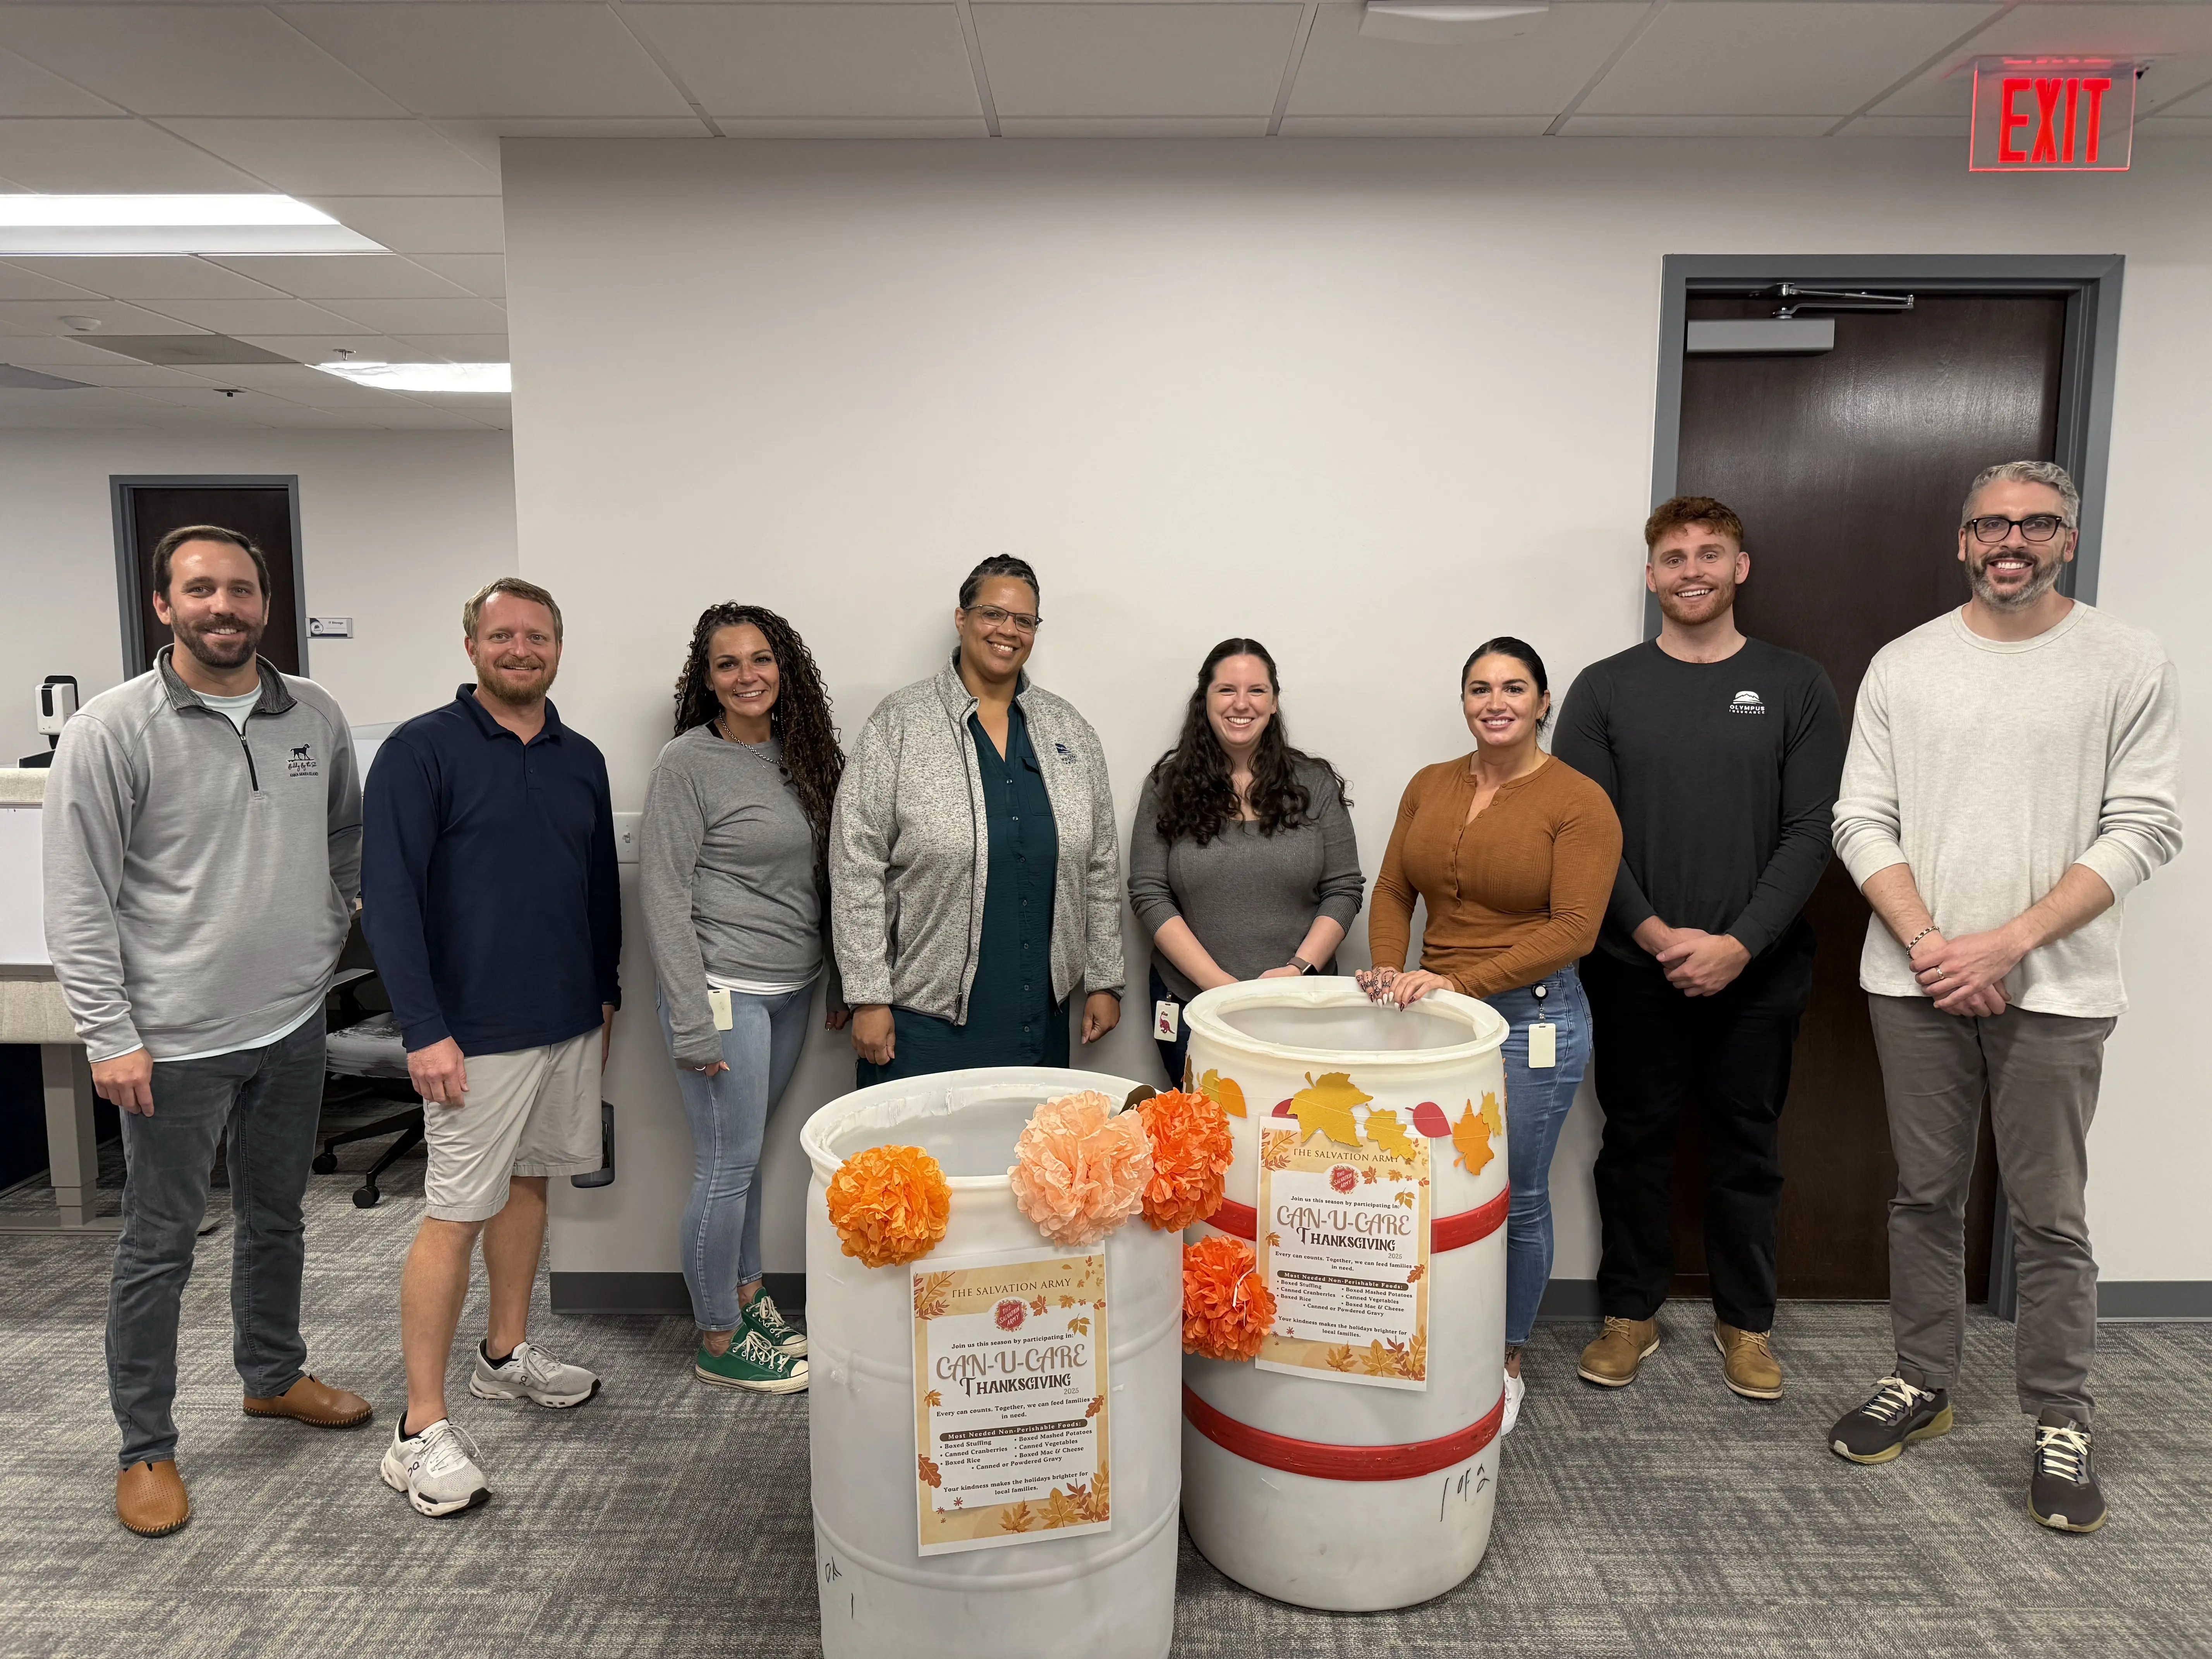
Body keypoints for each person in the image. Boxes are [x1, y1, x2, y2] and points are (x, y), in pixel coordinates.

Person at [1825, 460, 2180, 1534]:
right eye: (1990, 524)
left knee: (2051, 1214)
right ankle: (1922, 1381)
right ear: (1963, 542)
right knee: (1924, 1194)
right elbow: (1859, 818)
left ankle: (2061, 1415)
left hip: (2058, 988)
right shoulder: (1905, 663)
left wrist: (2010, 942)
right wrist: (1938, 945)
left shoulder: (2127, 659)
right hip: (1914, 978)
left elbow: (2146, 825)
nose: (2009, 540)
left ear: (2069, 538)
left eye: (2034, 523)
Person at [44, 524, 372, 1539]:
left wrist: (341, 924)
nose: (222, 606)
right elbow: (78, 897)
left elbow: (345, 836)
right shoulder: (112, 729)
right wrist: (110, 1034)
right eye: (200, 591)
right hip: (172, 1042)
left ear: (265, 604)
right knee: (160, 1244)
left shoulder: (313, 712)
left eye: (240, 589)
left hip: (289, 1021)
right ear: (163, 605)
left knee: (278, 1219)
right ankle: (145, 1444)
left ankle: (271, 1375)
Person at [1552, 496, 1844, 1403]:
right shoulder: (1604, 689)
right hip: (1632, 967)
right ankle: (1630, 1312)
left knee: (1747, 1144)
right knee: (1633, 1142)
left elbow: (1811, 831)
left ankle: (1746, 1323)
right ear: (1651, 576)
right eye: (1673, 558)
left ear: (1740, 569)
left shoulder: (1798, 686)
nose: (1691, 571)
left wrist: (1738, 944)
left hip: (1758, 971)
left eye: (1709, 554)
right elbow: (1586, 835)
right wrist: (1652, 933)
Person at [361, 577, 621, 1518]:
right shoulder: (420, 751)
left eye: (538, 636)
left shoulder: (579, 757)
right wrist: (422, 1027)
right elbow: (388, 900)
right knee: (454, 1213)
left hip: (565, 1021)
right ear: (472, 645)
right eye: (503, 634)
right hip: (469, 1034)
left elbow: (598, 891)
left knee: (529, 1185)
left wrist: (605, 994)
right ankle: (416, 1428)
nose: (522, 649)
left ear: (559, 646)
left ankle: (505, 1355)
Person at [1356, 637, 1621, 1437]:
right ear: (1464, 701)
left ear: (1544, 703)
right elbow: (1396, 886)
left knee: (1518, 1195)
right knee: (1425, 1188)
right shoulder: (1429, 785)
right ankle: (1433, 1336)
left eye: (1515, 688)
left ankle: (1505, 1361)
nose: (1495, 701)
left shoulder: (1580, 802)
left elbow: (1576, 930)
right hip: (1431, 1020)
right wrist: (1385, 969)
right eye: (1480, 688)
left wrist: (1458, 984)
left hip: (1531, 1023)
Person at [642, 604, 845, 1394]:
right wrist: (691, 1018)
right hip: (723, 991)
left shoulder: (805, 757)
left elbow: (822, 877)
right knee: (726, 1167)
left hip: (793, 987)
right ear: (707, 678)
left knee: (750, 1154)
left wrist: (834, 971)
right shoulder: (685, 765)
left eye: (761, 659)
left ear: (784, 668)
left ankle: (748, 1293)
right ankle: (718, 1336)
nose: (748, 676)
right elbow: (661, 897)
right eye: (728, 664)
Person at [831, 555, 1123, 1084]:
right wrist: (868, 995)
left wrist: (1104, 980)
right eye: (993, 614)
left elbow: (1100, 866)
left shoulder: (1069, 729)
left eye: (1024, 620)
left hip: (1040, 1017)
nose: (1008, 631)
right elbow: (856, 865)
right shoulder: (900, 723)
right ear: (962, 619)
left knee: (1029, 1163)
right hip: (924, 1020)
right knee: (921, 1162)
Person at [1128, 638, 1364, 1085]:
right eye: (1226, 690)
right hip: (1191, 1004)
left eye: (1256, 690)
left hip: (1299, 1004)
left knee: (1294, 1144)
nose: (1242, 704)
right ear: (1205, 700)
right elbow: (1149, 892)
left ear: (1274, 702)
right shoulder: (1166, 785)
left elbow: (1344, 888)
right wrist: (1218, 987)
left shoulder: (1314, 783)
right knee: (1202, 1144)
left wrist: (1297, 971)